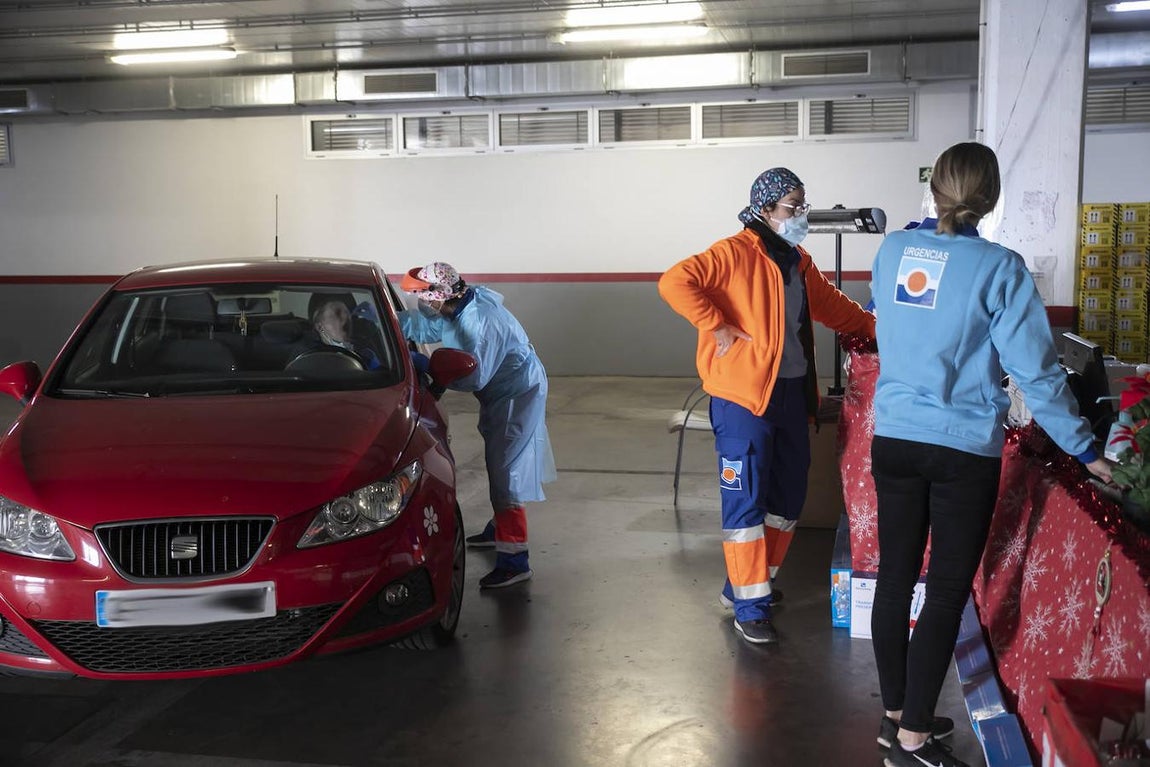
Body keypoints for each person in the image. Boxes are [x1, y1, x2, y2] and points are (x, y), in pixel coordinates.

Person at [868, 142, 1113, 767]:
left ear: (936, 189)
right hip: (960, 450)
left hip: (893, 438)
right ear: (991, 198)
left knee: (895, 578)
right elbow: (1036, 374)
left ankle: (895, 717)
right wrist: (1085, 449)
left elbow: (886, 319)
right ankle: (916, 738)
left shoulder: (893, 250)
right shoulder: (1000, 267)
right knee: (946, 588)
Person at [659, 167, 876, 644]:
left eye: (802, 205)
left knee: (786, 499)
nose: (801, 214)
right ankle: (751, 606)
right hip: (743, 402)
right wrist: (715, 323)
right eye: (792, 206)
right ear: (764, 209)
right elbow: (675, 282)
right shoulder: (733, 253)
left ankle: (745, 586)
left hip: (791, 397)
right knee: (746, 502)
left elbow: (835, 308)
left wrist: (882, 329)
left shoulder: (797, 261)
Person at [398, 262, 556, 589]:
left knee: (505, 470)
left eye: (421, 296)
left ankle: (515, 559)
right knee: (499, 460)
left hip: (515, 393)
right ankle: (500, 526)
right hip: (503, 391)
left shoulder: (480, 321)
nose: (421, 303)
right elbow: (428, 328)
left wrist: (427, 365)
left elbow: (473, 376)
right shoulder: (459, 305)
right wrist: (387, 323)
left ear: (437, 295)